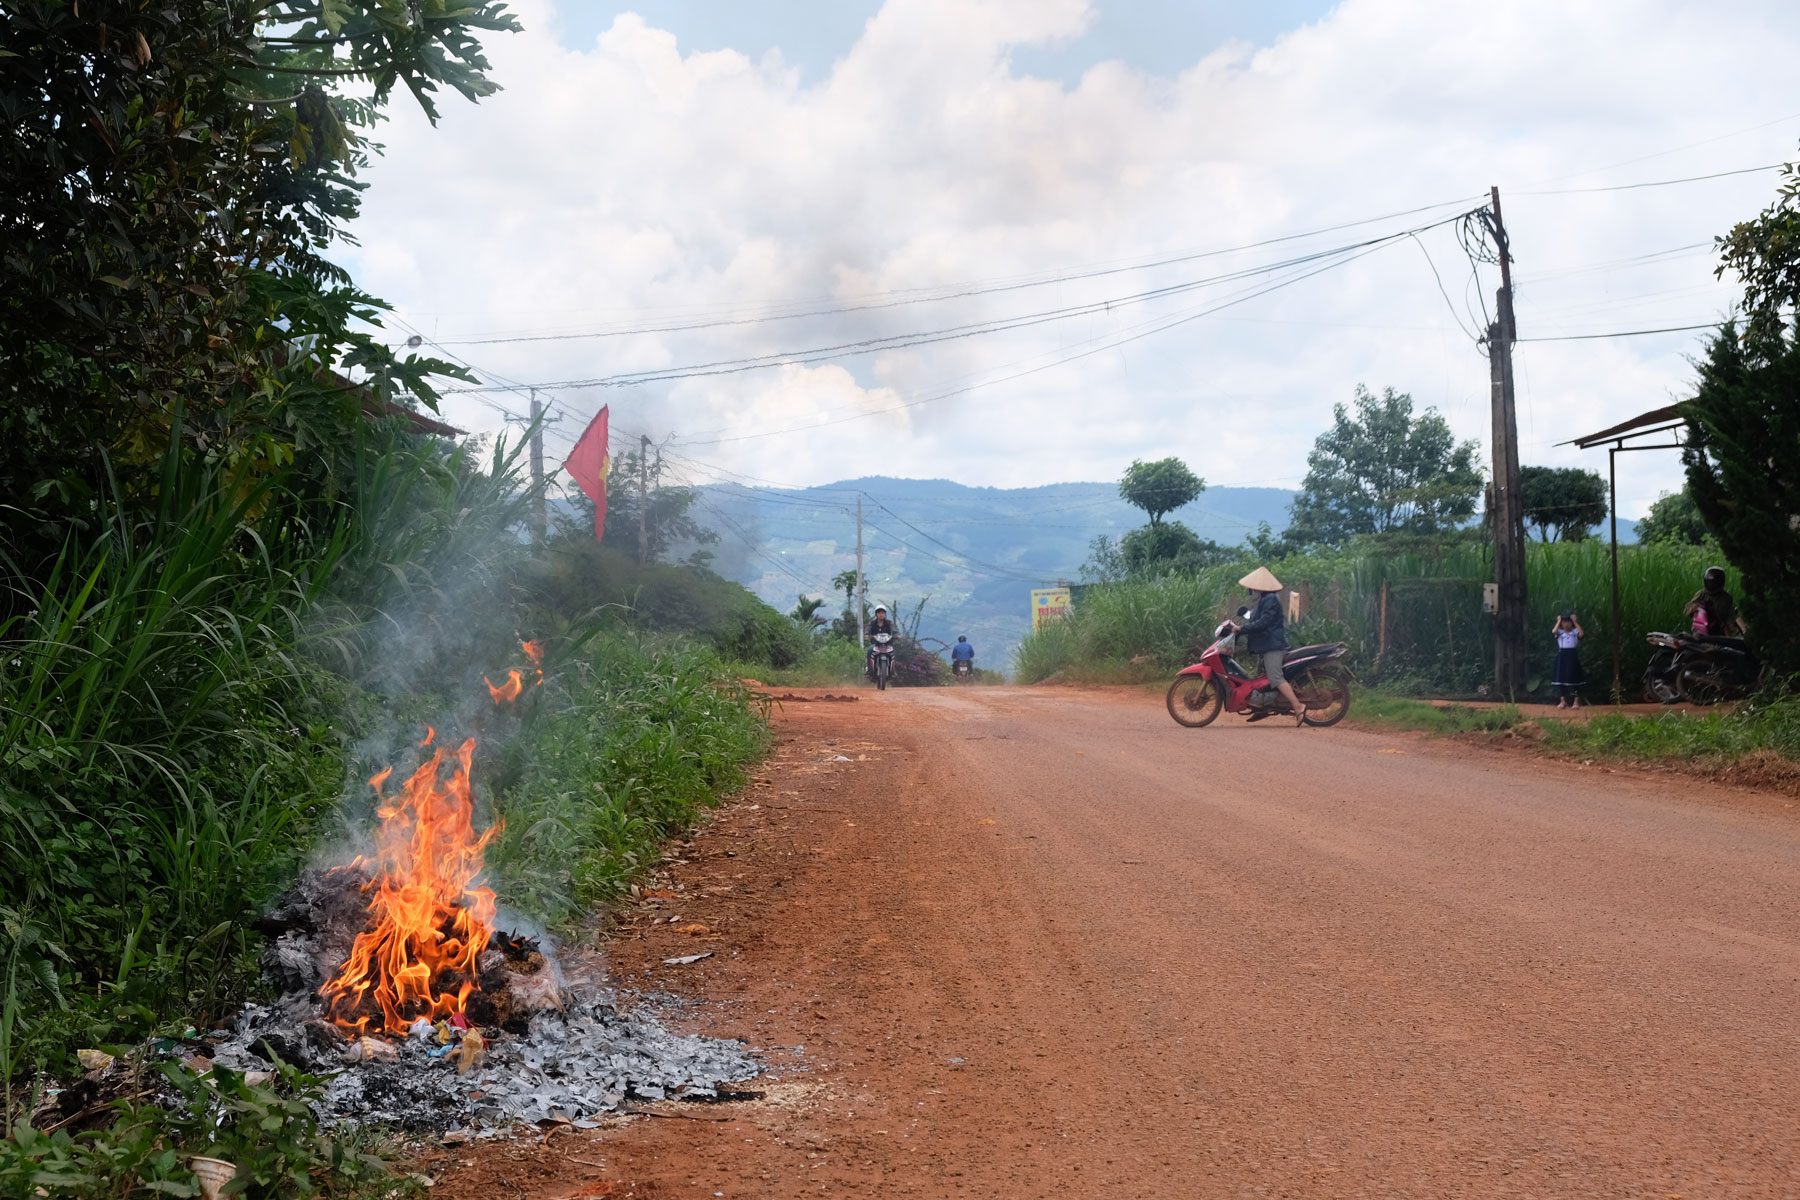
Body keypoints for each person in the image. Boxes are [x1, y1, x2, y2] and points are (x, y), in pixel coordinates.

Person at [1233, 566, 1306, 725]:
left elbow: (1264, 622)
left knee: (1275, 677)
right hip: (1264, 644)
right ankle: (1263, 707)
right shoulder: (1262, 599)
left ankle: (1298, 706)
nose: (1251, 589)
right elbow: (1253, 617)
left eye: (1253, 586)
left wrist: (1243, 629)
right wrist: (1240, 623)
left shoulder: (1271, 599)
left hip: (1273, 645)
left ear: (1260, 586)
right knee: (1261, 679)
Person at [1683, 566, 1743, 637]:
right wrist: (1695, 608)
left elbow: (1730, 617)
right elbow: (1687, 611)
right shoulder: (1701, 594)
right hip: (1700, 630)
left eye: (1714, 583)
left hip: (1719, 630)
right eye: (1710, 582)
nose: (1711, 585)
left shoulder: (1726, 598)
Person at [1550, 611, 1585, 708]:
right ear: (1562, 623)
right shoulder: (1560, 633)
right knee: (1561, 679)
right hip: (1562, 655)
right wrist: (1558, 620)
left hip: (1572, 656)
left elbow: (1581, 634)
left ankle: (1576, 701)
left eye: (1569, 621)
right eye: (1564, 622)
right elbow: (1554, 631)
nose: (1567, 624)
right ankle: (1563, 700)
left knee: (1575, 678)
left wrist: (1575, 622)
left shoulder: (1575, 632)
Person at [866, 604, 896, 677]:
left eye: (882, 613)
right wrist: (866, 634)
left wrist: (896, 634)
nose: (881, 614)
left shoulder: (889, 623)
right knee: (869, 650)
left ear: (885, 614)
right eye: (879, 613)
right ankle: (868, 669)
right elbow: (867, 629)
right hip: (875, 644)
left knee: (893, 652)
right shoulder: (872, 623)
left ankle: (893, 670)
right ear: (876, 614)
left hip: (887, 644)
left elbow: (894, 629)